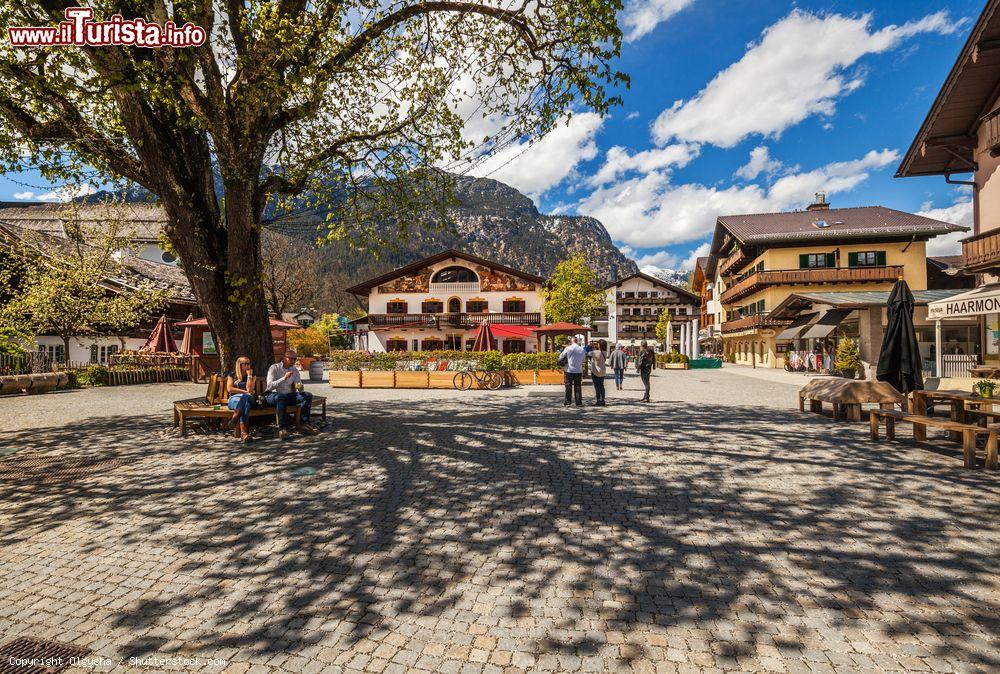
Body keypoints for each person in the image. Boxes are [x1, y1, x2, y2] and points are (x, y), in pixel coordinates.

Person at [265, 350, 317, 438]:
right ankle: (282, 429)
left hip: (288, 395)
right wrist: (284, 378)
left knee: (307, 395)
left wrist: (300, 388)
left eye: (295, 359)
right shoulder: (274, 368)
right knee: (281, 397)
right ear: (284, 358)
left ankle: (303, 424)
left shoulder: (294, 370)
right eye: (291, 358)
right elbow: (269, 386)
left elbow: (298, 385)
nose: (293, 361)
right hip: (273, 395)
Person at [226, 356, 256, 443]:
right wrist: (245, 392)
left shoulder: (252, 375)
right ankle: (244, 434)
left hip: (249, 398)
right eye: (245, 364)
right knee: (245, 404)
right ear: (239, 365)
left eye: (248, 363)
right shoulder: (232, 375)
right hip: (234, 399)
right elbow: (230, 389)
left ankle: (235, 418)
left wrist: (249, 375)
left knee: (246, 398)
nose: (248, 365)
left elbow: (250, 389)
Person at [559, 336, 586, 407]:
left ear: (571, 341)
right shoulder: (582, 350)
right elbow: (583, 360)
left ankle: (568, 402)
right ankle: (578, 402)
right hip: (578, 370)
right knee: (578, 387)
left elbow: (561, 357)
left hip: (569, 370)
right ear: (577, 341)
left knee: (568, 387)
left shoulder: (568, 348)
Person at [588, 340, 608, 406]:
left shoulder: (594, 352)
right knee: (601, 386)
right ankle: (603, 400)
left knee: (597, 386)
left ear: (599, 345)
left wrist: (591, 346)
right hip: (602, 371)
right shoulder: (605, 352)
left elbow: (588, 353)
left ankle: (598, 400)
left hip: (595, 371)